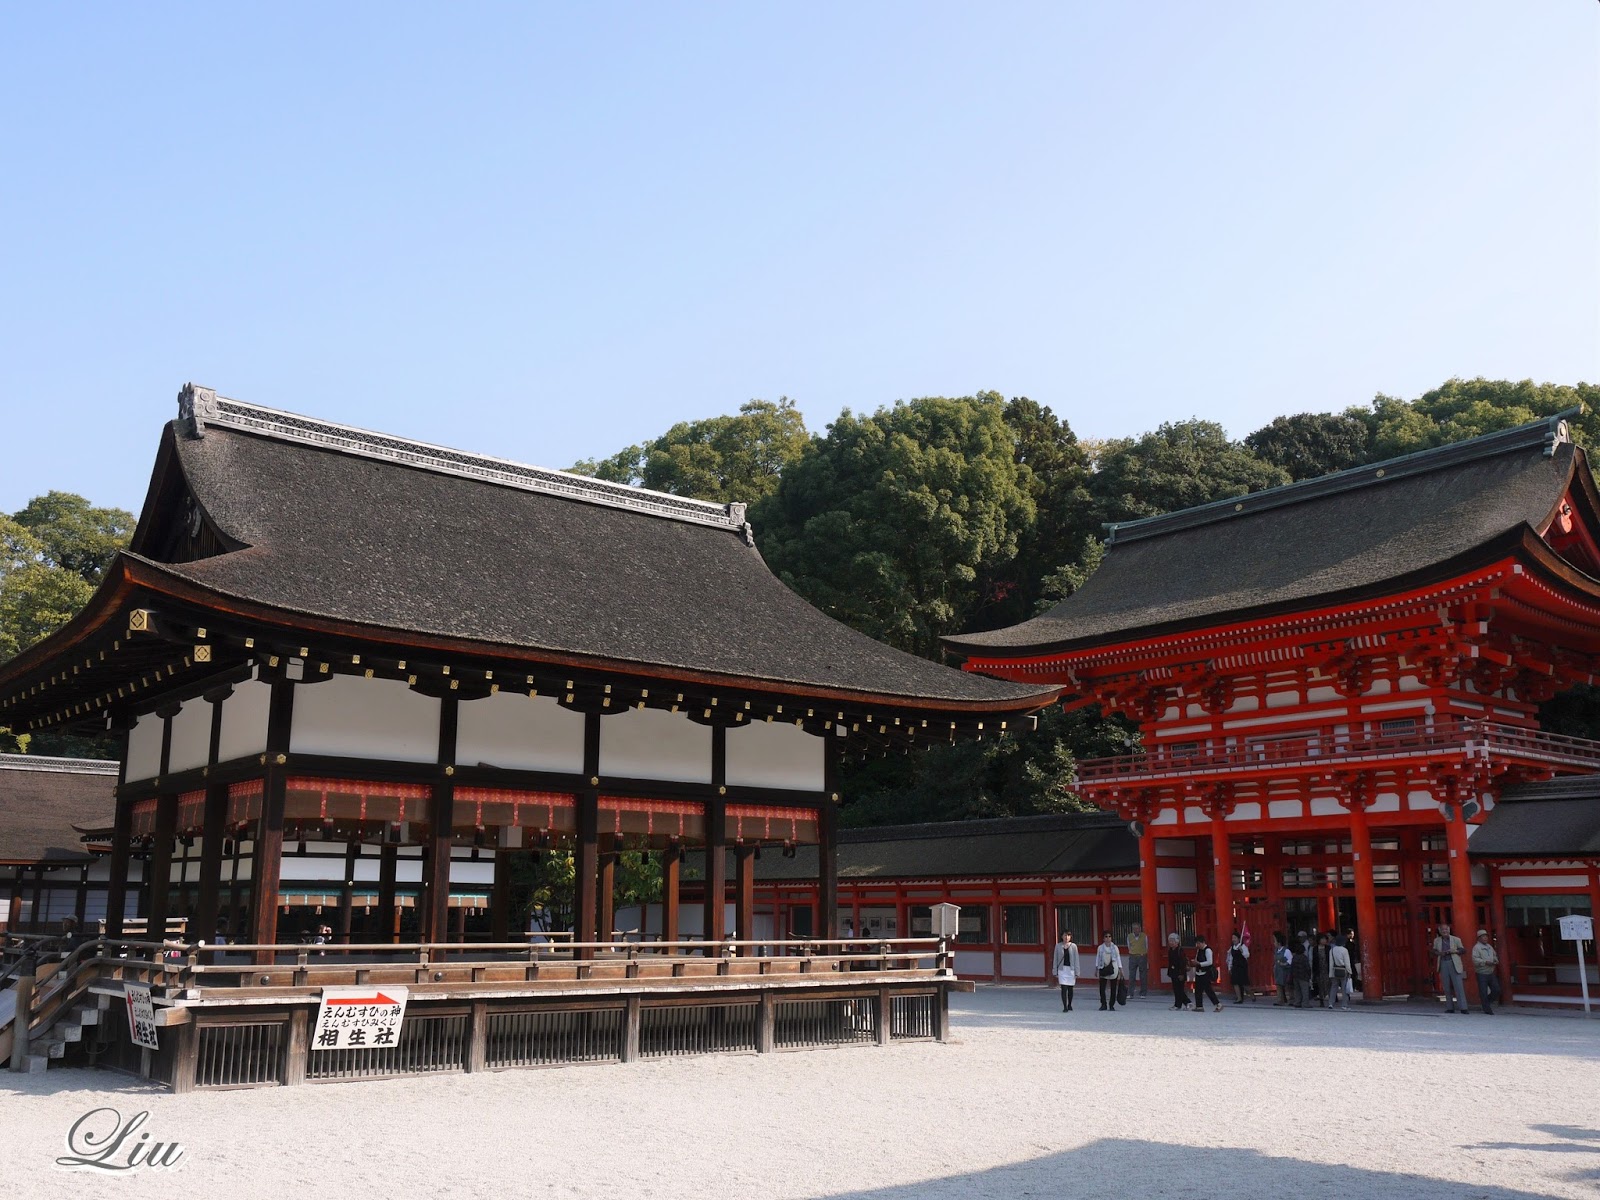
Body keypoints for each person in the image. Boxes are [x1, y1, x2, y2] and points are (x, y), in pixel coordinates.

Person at [1432, 922, 1469, 1015]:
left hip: (1454, 962)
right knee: (1446, 987)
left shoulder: (1456, 939)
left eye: (1446, 929)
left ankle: (1463, 1007)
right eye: (1443, 930)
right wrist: (1439, 953)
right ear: (1440, 931)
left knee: (1458, 986)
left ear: (1449, 930)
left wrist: (1455, 951)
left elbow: (1463, 950)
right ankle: (1450, 1007)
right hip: (1443, 962)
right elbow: (1433, 950)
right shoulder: (1437, 940)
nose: (1445, 931)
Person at [1471, 929, 1501, 1015]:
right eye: (1483, 936)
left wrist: (1495, 960)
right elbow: (1475, 959)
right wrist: (1485, 962)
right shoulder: (1476, 948)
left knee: (1497, 990)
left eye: (1486, 936)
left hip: (1491, 972)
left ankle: (1486, 1002)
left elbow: (1494, 955)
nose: (1485, 938)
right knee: (1483, 991)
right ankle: (1487, 1009)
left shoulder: (1489, 947)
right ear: (1479, 938)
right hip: (1481, 972)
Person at [1052, 929, 1080, 1012]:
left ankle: (1070, 1004)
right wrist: (1055, 970)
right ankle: (1065, 1006)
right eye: (1065, 935)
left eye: (1068, 935)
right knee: (1063, 988)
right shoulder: (1058, 946)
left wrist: (1077, 971)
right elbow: (1055, 959)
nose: (1066, 937)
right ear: (1061, 936)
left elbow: (1076, 959)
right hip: (1062, 969)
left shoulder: (1074, 946)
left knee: (1070, 988)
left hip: (1071, 969)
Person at [1095, 931, 1124, 1011]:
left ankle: (1111, 1004)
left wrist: (1121, 969)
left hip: (1113, 968)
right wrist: (1096, 968)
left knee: (1113, 988)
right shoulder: (1100, 948)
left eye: (1109, 936)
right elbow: (1098, 958)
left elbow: (1118, 958)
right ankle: (1103, 1004)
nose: (1108, 938)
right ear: (1103, 938)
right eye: (1106, 937)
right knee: (1102, 988)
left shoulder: (1115, 948)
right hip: (1103, 967)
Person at [1192, 935, 1222, 1011]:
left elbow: (1210, 962)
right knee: (1198, 990)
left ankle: (1218, 1004)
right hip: (1198, 972)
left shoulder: (1208, 950)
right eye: (1197, 943)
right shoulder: (1198, 950)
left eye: (1199, 943)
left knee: (1208, 990)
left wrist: (1199, 963)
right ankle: (1199, 1006)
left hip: (1205, 973)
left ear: (1203, 942)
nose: (1197, 945)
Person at [1166, 933, 1191, 1009]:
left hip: (1180, 972)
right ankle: (1188, 1003)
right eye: (1170, 941)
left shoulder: (1180, 951)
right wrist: (1169, 972)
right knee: (1176, 989)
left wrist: (1182, 974)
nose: (1171, 942)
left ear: (1177, 942)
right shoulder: (1170, 950)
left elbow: (1182, 963)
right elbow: (1170, 963)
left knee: (1179, 989)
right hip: (1174, 972)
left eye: (1173, 941)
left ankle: (1178, 1005)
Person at [1327, 936, 1352, 1010]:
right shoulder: (1344, 950)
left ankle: (1331, 1003)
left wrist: (1330, 973)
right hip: (1343, 970)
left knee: (1334, 987)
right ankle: (1344, 1004)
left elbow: (1331, 963)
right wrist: (1349, 971)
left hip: (1334, 970)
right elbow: (1347, 962)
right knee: (1344, 988)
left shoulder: (1331, 950)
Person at [1126, 923, 1150, 997]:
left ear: (1140, 929)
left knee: (1143, 975)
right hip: (1133, 956)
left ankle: (1143, 993)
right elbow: (1129, 946)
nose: (1136, 930)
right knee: (1131, 975)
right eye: (1135, 928)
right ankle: (1130, 993)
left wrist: (1143, 953)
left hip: (1142, 956)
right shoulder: (1129, 936)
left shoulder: (1144, 936)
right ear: (1133, 929)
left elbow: (1146, 946)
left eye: (1138, 928)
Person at [1227, 932, 1250, 1004]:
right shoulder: (1232, 947)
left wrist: (1242, 950)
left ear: (1239, 939)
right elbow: (1230, 957)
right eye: (1232, 938)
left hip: (1242, 967)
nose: (1233, 939)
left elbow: (1247, 956)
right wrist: (1229, 967)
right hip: (1235, 966)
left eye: (1235, 938)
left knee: (1244, 983)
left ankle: (1251, 994)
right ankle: (1239, 998)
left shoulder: (1243, 946)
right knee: (1235, 982)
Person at [1290, 937, 1312, 1008]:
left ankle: (1297, 1002)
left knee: (1297, 990)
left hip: (1296, 976)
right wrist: (1309, 975)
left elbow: (1292, 967)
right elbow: (1307, 967)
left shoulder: (1294, 957)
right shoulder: (1304, 958)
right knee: (1305, 990)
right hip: (1303, 976)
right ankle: (1305, 1003)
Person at [1272, 932, 1293, 1005]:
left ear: (1279, 942)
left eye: (1274, 941)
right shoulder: (1276, 951)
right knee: (1278, 985)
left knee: (1287, 986)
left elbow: (1290, 960)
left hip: (1285, 971)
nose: (1273, 942)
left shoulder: (1286, 951)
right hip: (1278, 970)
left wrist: (1284, 964)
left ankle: (1291, 1000)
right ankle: (1280, 1000)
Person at [1312, 934, 1331, 1007]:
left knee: (1328, 984)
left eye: (1325, 939)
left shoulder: (1328, 948)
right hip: (1319, 968)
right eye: (1322, 939)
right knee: (1320, 985)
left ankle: (1329, 999)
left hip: (1327, 968)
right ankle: (1321, 1000)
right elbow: (1314, 960)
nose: (1324, 941)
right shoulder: (1315, 949)